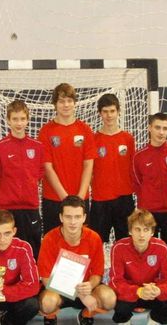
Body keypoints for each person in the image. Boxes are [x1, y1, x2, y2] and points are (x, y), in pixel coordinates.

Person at [132, 112, 167, 313]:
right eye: (157, 127)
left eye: (165, 128)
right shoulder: (139, 156)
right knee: (145, 256)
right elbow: (137, 184)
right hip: (148, 215)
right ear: (149, 128)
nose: (161, 132)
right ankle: (142, 299)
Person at [38, 196, 116, 325]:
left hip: (85, 289)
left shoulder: (94, 238)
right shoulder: (49, 239)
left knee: (109, 299)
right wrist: (79, 295)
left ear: (84, 218)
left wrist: (90, 285)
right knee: (47, 303)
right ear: (61, 217)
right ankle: (51, 315)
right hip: (58, 290)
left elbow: (97, 273)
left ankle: (86, 313)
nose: (73, 222)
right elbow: (46, 279)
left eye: (77, 217)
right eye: (68, 217)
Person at [38, 83, 97, 234]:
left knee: (80, 244)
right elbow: (47, 168)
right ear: (55, 104)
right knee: (53, 243)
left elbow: (88, 166)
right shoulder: (46, 131)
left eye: (69, 101)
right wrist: (65, 198)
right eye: (61, 101)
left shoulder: (85, 130)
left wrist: (80, 198)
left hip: (80, 199)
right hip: (54, 199)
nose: (66, 105)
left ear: (74, 103)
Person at [109, 209, 167, 325]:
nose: (142, 235)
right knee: (113, 298)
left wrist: (159, 290)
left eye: (146, 230)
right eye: (137, 229)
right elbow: (115, 282)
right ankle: (124, 320)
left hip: (153, 293)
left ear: (152, 232)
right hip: (131, 294)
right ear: (130, 231)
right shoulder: (118, 248)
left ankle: (155, 319)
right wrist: (138, 291)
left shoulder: (161, 247)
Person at [0, 100, 44, 258]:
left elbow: (38, 176)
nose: (19, 123)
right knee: (7, 251)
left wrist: (27, 190)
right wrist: (7, 195)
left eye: (22, 119)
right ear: (8, 120)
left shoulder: (37, 146)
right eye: (15, 119)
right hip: (7, 208)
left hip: (30, 207)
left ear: (27, 120)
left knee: (32, 250)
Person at [90, 93, 135, 242]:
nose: (109, 115)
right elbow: (89, 171)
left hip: (124, 199)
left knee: (126, 243)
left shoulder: (128, 139)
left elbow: (132, 168)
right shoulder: (93, 140)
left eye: (112, 111)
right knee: (96, 243)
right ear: (100, 113)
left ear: (118, 111)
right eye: (105, 111)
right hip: (100, 199)